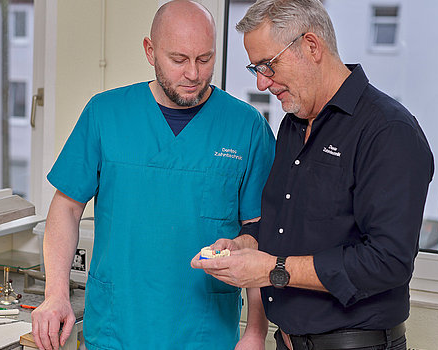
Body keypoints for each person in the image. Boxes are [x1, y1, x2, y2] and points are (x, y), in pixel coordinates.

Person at [30, 1, 276, 349]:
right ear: (150, 51)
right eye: (178, 59)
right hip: (117, 331)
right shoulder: (105, 114)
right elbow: (66, 207)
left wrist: (255, 330)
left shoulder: (246, 127)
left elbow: (259, 235)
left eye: (205, 59)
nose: (193, 73)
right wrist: (55, 294)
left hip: (205, 334)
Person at [192, 0, 434, 349]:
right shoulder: (294, 125)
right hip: (288, 341)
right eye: (255, 68)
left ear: (311, 46)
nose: (262, 83)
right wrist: (246, 246)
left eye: (268, 66)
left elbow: (388, 260)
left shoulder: (388, 130)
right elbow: (287, 225)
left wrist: (272, 269)